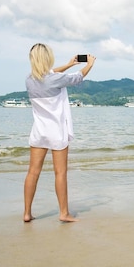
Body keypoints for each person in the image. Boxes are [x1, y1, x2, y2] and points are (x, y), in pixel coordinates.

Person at [23, 43, 96, 223]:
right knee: (60, 173)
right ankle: (63, 213)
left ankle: (27, 213)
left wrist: (70, 63)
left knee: (33, 172)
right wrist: (90, 64)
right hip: (56, 131)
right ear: (47, 58)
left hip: (39, 131)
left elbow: (51, 73)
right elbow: (77, 78)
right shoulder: (56, 79)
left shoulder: (29, 80)